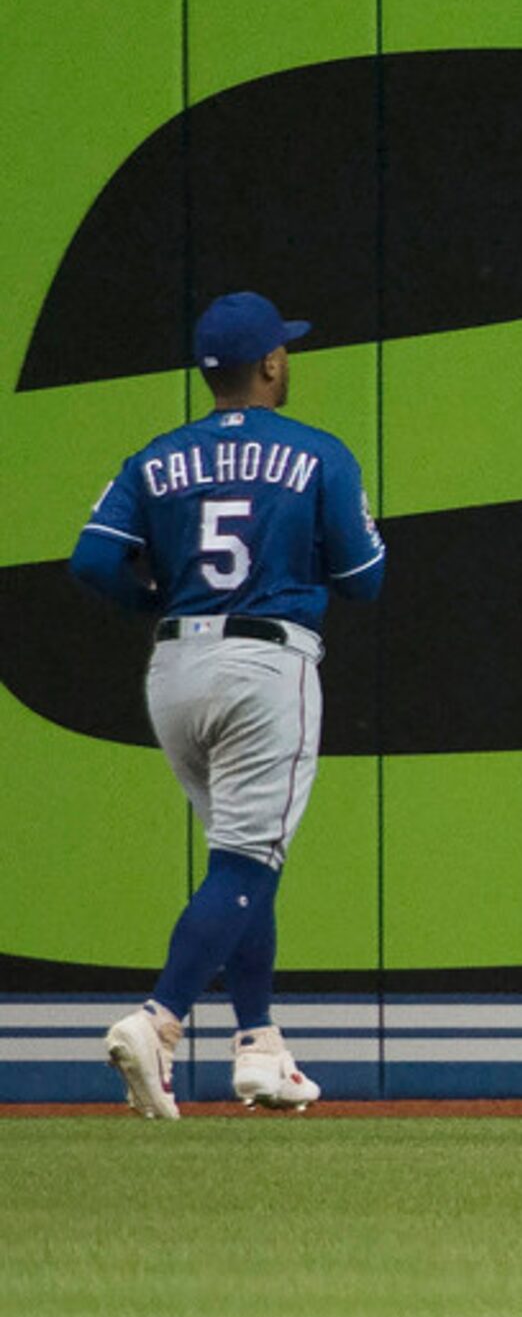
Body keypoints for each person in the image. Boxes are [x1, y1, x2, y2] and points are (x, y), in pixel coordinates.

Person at [69, 291, 386, 1120]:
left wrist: (158, 599)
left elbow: (92, 561)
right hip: (264, 661)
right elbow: (366, 580)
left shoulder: (157, 457)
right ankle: (158, 1021)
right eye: (286, 350)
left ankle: (259, 1048)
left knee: (240, 863)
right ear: (273, 363)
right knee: (249, 862)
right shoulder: (316, 453)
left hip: (176, 665)